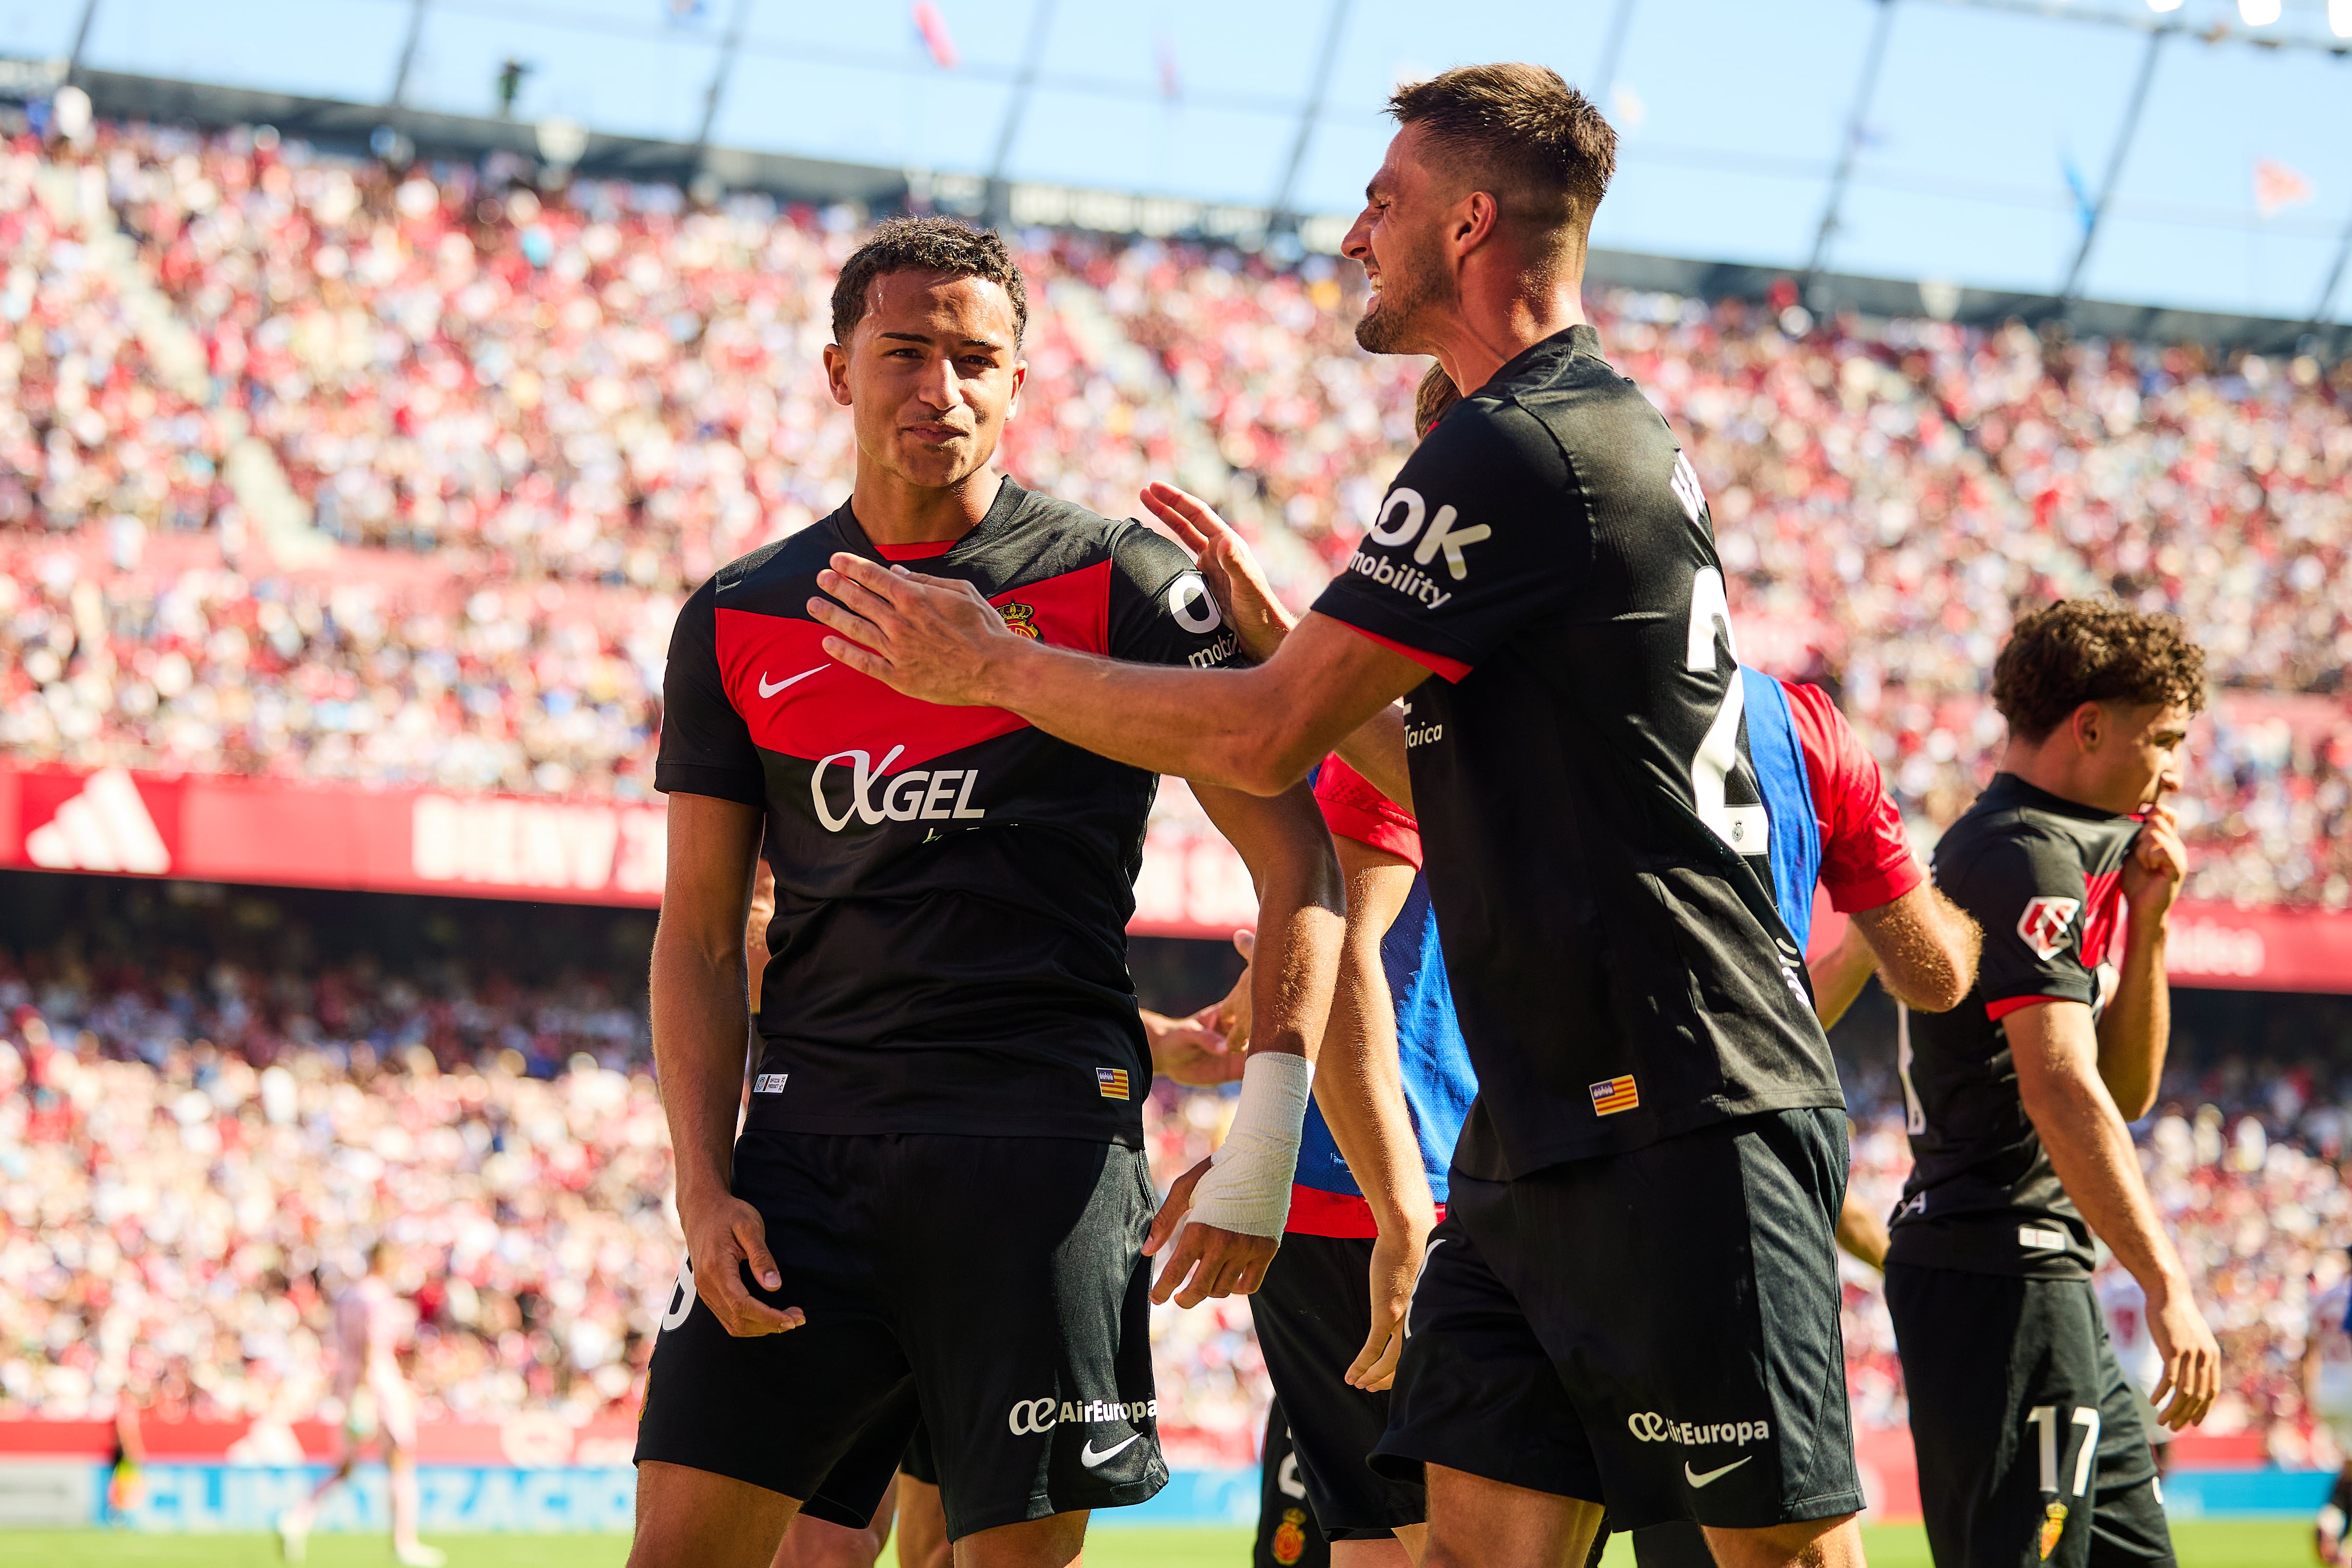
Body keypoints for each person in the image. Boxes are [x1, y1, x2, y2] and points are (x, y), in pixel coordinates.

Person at [812, 66, 1890, 1564]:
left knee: (1773, 1549)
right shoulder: (1578, 430)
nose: (1350, 235)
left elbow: (1270, 736)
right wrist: (1280, 635)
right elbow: (1430, 771)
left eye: (1383, 202)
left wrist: (992, 665)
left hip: (1686, 1098)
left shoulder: (1520, 445)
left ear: (1467, 223)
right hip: (1532, 1127)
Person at [627, 217, 1345, 1568]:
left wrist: (1263, 1144)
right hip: (805, 1163)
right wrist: (699, 1178)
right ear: (838, 368)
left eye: (975, 358)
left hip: (1042, 1152)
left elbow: (1295, 860)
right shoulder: (736, 612)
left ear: (1020, 380)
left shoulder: (1123, 583)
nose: (938, 390)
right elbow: (704, 934)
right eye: (903, 352)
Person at [1885, 599, 2221, 1568]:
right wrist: (2166, 1285)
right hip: (1998, 1274)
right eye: (2162, 738)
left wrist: (2148, 925)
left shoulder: (2056, 849)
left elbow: (2125, 1090)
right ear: (2088, 727)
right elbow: (2064, 1090)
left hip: (2037, 1274)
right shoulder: (2024, 851)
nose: (2174, 768)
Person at [277, 1242, 445, 1567]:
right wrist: (368, 1391)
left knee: (346, 1466)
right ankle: (404, 1543)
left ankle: (298, 1518)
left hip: (349, 1383)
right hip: (375, 1385)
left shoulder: (349, 1296)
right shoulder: (377, 1298)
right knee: (400, 1458)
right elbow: (372, 1345)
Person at [2306, 1257, 2352, 1565]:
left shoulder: (2325, 1297)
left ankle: (2331, 1520)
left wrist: (2312, 1397)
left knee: (2349, 1470)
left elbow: (2309, 1352)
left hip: (2327, 1392)